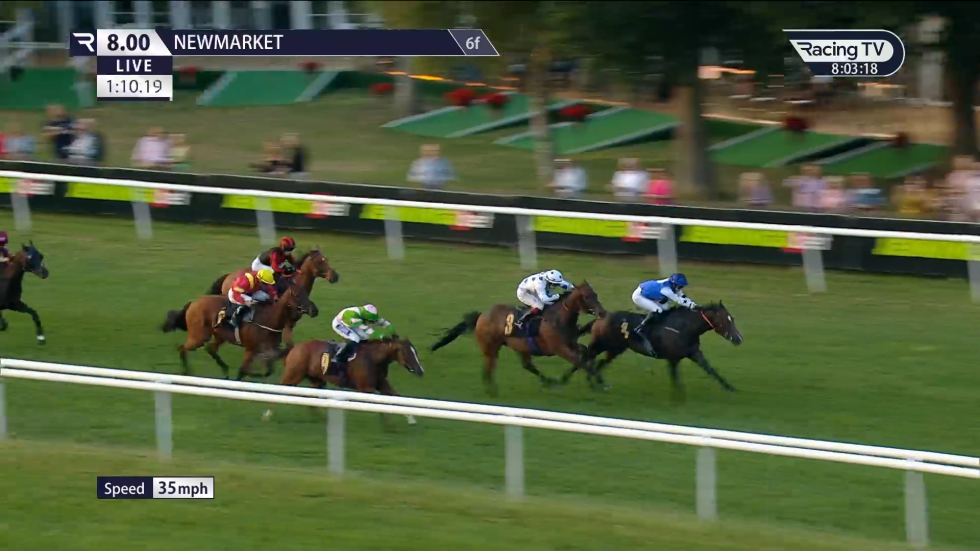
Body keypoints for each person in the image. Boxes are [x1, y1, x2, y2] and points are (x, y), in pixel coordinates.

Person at [631, 273, 697, 336]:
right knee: (657, 310)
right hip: (639, 296)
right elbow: (678, 300)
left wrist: (693, 304)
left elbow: (682, 297)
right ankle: (640, 328)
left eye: (681, 287)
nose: (680, 288)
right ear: (674, 284)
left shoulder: (673, 284)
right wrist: (690, 305)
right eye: (679, 286)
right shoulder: (666, 289)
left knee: (665, 308)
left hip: (650, 294)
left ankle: (655, 322)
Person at [332, 304, 396, 363]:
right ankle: (339, 357)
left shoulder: (368, 316)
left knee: (365, 337)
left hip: (353, 324)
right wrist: (381, 336)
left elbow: (385, 323)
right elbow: (367, 330)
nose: (371, 323)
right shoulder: (353, 315)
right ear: (365, 318)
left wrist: (393, 333)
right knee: (355, 338)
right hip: (340, 324)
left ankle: (360, 353)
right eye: (370, 321)